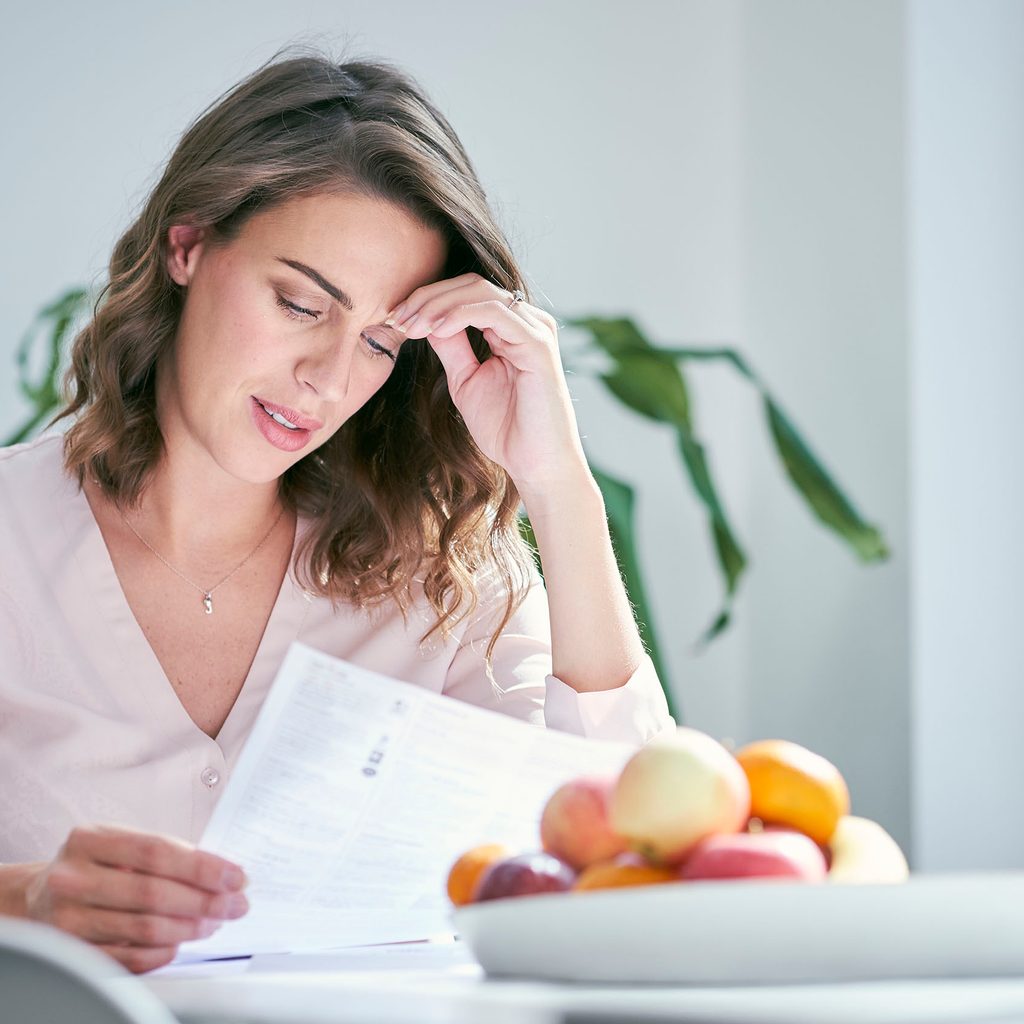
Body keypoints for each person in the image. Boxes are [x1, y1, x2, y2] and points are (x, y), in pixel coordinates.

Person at [0, 47, 674, 972]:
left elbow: (626, 842)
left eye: (380, 342)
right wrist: (26, 898)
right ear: (187, 246)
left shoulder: (446, 572)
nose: (327, 379)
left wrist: (561, 490)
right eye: (299, 303)